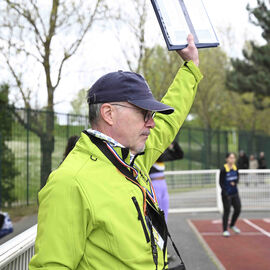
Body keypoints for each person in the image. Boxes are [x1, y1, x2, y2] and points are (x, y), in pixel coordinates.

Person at [29, 34, 202, 270]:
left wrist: (190, 68)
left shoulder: (132, 160)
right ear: (109, 114)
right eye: (145, 113)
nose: (152, 123)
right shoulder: (70, 182)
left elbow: (169, 123)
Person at [149, 141, 183, 221]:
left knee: (164, 213)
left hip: (163, 184)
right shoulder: (153, 152)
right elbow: (160, 157)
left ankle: (163, 232)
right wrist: (165, 145)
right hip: (153, 184)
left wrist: (173, 143)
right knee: (156, 213)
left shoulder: (162, 152)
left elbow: (179, 155)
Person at [219, 153, 241, 237]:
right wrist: (225, 193)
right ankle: (225, 230)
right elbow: (220, 182)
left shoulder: (236, 167)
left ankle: (232, 225)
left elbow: (237, 178)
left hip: (235, 193)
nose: (232, 159)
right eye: (230, 158)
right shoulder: (223, 169)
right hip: (226, 194)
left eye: (233, 158)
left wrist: (234, 182)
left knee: (238, 209)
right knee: (227, 211)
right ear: (227, 159)